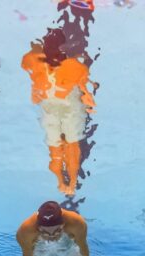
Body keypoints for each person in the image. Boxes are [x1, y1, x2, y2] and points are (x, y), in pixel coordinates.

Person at [21, 29, 96, 196]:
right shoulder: (77, 67)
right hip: (71, 107)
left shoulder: (35, 61)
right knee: (71, 144)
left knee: (55, 148)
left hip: (51, 107)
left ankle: (62, 183)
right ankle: (72, 183)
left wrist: (35, 51)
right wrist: (90, 104)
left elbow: (25, 65)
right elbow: (86, 93)